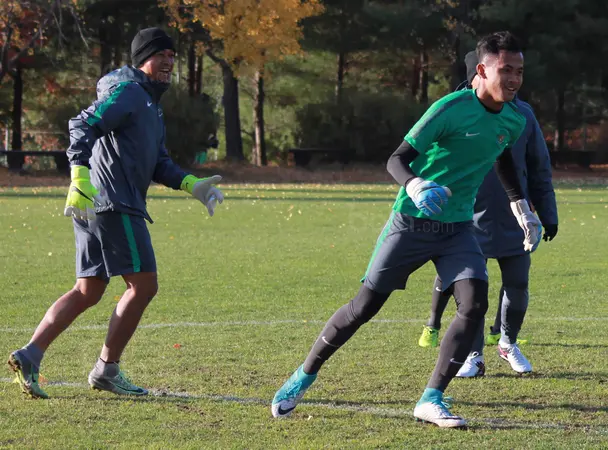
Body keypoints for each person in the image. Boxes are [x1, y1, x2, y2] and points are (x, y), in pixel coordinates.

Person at [270, 31, 538, 428]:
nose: (514, 79)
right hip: (411, 223)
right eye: (505, 70)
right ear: (482, 70)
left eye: (519, 71)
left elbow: (500, 157)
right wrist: (416, 185)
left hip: (458, 229)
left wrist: (521, 206)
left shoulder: (515, 118)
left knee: (474, 303)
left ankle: (432, 398)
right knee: (364, 307)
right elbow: (397, 159)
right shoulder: (448, 109)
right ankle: (303, 375)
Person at [7, 27, 224, 399]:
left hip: (98, 203)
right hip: (111, 202)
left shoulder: (151, 106)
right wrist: (78, 175)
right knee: (143, 285)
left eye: (174, 56)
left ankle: (30, 354)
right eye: (162, 55)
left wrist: (193, 184)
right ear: (143, 59)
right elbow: (83, 124)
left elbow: (159, 163)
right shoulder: (129, 92)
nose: (170, 61)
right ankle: (106, 370)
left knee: (88, 290)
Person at [417, 51, 559, 378]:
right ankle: (474, 355)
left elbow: (539, 166)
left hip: (516, 217)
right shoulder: (456, 112)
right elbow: (436, 161)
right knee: (473, 290)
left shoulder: (522, 115)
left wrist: (547, 212)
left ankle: (507, 343)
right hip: (467, 218)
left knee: (518, 284)